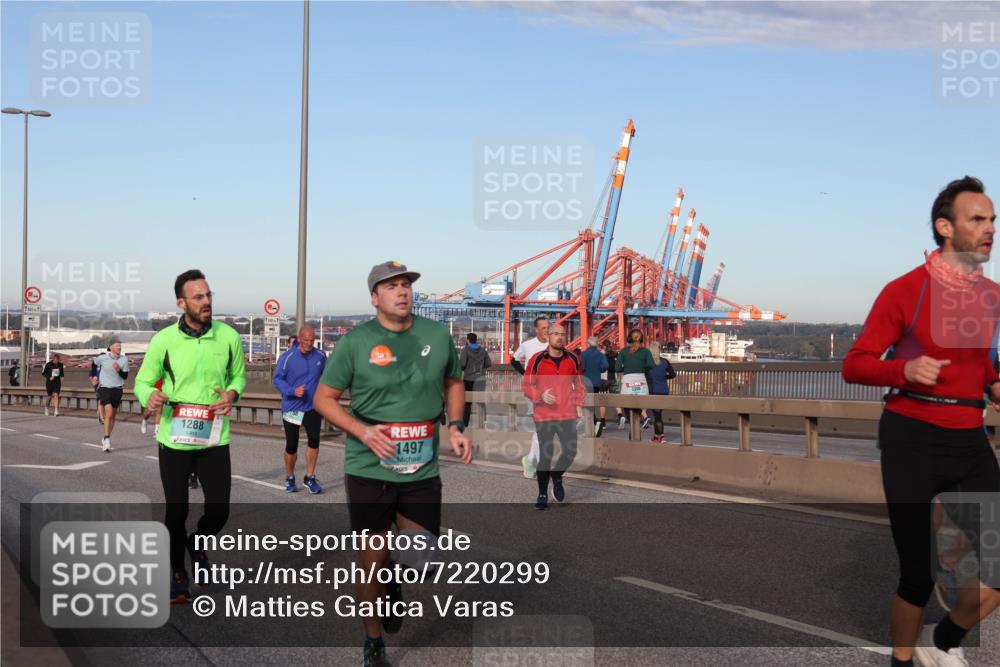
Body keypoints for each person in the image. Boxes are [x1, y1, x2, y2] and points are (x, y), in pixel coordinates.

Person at [843, 176, 1000, 667]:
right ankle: (902, 662)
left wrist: (994, 384)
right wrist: (903, 369)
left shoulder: (991, 296)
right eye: (978, 219)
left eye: (993, 219)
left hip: (969, 441)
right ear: (944, 227)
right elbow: (855, 363)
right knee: (915, 573)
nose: (990, 228)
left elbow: (982, 362)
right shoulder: (906, 290)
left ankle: (945, 642)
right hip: (912, 438)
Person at [313, 261, 473, 667]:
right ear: (374, 298)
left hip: (421, 467)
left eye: (406, 285)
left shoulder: (436, 335)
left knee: (420, 560)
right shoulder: (355, 342)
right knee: (373, 556)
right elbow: (323, 399)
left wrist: (455, 426)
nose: (402, 291)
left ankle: (394, 584)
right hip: (369, 467)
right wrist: (363, 432)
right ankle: (373, 641)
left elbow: (454, 381)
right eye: (391, 286)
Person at [134, 269, 246, 604]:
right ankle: (178, 575)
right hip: (175, 437)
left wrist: (232, 395)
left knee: (219, 511)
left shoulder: (229, 337)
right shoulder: (164, 340)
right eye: (198, 297)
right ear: (181, 303)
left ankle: (197, 543)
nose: (207, 301)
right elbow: (142, 381)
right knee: (176, 510)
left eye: (209, 295)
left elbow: (238, 378)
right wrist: (148, 397)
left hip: (213, 437)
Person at [522, 323, 585, 510]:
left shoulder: (573, 359)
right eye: (556, 334)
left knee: (570, 452)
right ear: (548, 336)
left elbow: (580, 385)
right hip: (544, 415)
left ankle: (556, 476)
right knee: (546, 455)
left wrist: (579, 406)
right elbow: (526, 385)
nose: (560, 337)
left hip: (567, 414)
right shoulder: (537, 359)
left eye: (562, 334)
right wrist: (540, 395)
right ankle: (542, 494)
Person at [273, 325, 327, 493]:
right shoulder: (287, 357)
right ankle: (290, 477)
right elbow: (277, 379)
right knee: (292, 445)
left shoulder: (320, 356)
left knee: (314, 440)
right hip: (292, 407)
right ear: (299, 338)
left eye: (312, 340)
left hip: (312, 406)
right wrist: (292, 391)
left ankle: (310, 477)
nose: (309, 344)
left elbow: (327, 376)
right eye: (306, 340)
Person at [511, 316, 550, 478]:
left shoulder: (554, 345)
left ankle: (529, 459)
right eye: (544, 328)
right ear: (537, 329)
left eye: (549, 327)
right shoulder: (527, 345)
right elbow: (513, 359)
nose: (547, 331)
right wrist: (525, 373)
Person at [615, 329, 655, 438]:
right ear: (642, 339)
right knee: (641, 406)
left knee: (628, 408)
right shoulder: (646, 352)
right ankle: (642, 422)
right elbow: (651, 365)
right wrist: (641, 367)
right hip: (641, 381)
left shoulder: (623, 351)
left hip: (628, 381)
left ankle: (632, 431)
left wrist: (626, 367)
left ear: (629, 339)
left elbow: (617, 367)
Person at [94, 339, 129, 452]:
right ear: (111, 347)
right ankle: (107, 438)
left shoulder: (124, 359)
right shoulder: (103, 358)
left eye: (120, 346)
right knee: (108, 413)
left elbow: (125, 376)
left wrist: (119, 370)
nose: (119, 348)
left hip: (117, 389)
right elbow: (94, 364)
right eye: (117, 346)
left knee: (113, 416)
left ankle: (106, 436)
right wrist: (95, 376)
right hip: (105, 387)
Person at [645, 341, 676, 443]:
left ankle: (660, 436)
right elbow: (672, 374)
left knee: (657, 416)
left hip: (652, 390)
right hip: (663, 390)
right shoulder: (665, 362)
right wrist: (664, 377)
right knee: (658, 414)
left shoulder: (647, 363)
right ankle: (657, 436)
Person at [459, 332, 492, 425]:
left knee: (467, 402)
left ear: (468, 340)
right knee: (480, 400)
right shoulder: (483, 350)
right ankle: (483, 421)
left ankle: (465, 422)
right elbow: (489, 364)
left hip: (468, 379)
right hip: (480, 379)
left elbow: (462, 364)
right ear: (476, 340)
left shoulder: (465, 350)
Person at [580, 337, 609, 436]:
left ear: (588, 344)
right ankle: (595, 423)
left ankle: (594, 424)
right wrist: (599, 370)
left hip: (586, 382)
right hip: (596, 383)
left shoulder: (583, 354)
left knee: (587, 406)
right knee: (592, 404)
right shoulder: (601, 355)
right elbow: (605, 367)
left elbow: (581, 368)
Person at [88, 358, 103, 424]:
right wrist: (93, 382)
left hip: (106, 385)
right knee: (100, 400)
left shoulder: (106, 366)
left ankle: (100, 413)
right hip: (98, 386)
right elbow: (91, 375)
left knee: (104, 401)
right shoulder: (96, 366)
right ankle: (101, 416)